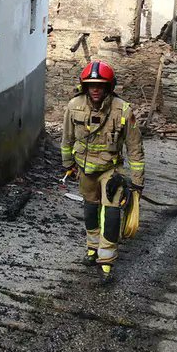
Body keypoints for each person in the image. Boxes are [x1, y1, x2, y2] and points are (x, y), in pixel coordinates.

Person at [61, 60, 144, 283]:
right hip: (85, 170)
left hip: (111, 171)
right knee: (90, 210)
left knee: (112, 214)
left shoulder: (123, 110)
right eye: (91, 85)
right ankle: (92, 248)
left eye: (100, 85)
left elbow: (135, 148)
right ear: (84, 86)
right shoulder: (73, 106)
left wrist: (137, 182)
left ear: (109, 87)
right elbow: (67, 139)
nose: (95, 89)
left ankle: (106, 261)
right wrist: (68, 165)